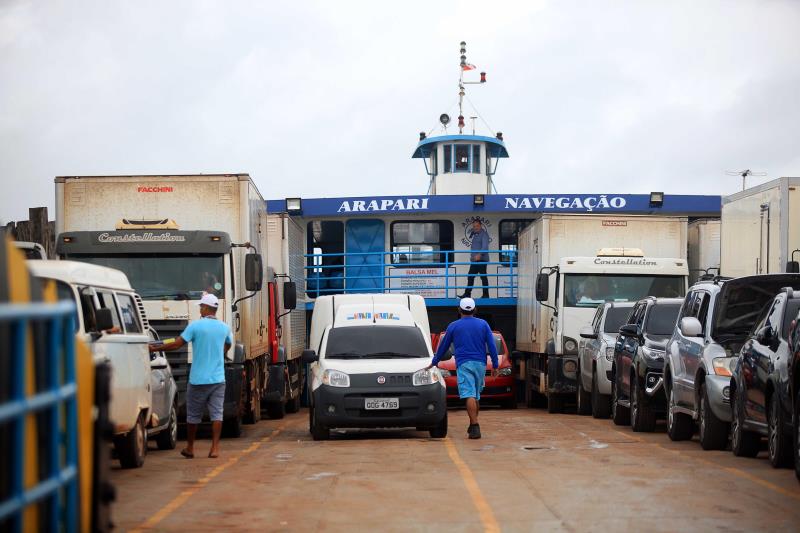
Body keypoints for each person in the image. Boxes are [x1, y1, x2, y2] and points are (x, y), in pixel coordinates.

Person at [149, 293, 232, 459]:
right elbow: (228, 344)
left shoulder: (195, 326)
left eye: (201, 306)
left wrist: (155, 348)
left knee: (193, 415)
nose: (200, 309)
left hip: (198, 380)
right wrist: (220, 353)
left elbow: (177, 344)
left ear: (207, 308)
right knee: (217, 414)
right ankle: (215, 449)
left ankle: (190, 448)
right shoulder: (224, 327)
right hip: (218, 379)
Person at [425, 297, 498, 439]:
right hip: (481, 364)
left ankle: (475, 426)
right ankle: (473, 424)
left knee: (469, 395)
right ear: (475, 310)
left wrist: (434, 362)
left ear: (459, 310)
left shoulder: (453, 326)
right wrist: (495, 365)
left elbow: (443, 347)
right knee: (475, 395)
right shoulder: (483, 324)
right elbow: (492, 346)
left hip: (464, 363)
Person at [460, 219, 490, 299]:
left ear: (481, 225)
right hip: (474, 261)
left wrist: (479, 254)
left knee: (483, 277)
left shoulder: (484, 234)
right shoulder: (475, 235)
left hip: (481, 260)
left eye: (477, 226)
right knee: (470, 276)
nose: (475, 227)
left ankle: (486, 295)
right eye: (474, 226)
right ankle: (467, 294)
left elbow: (485, 247)